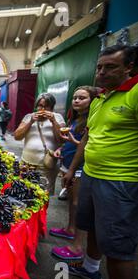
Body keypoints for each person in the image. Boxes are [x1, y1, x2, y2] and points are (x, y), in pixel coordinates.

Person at [62, 44, 138, 279]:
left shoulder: (135, 93)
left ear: (129, 67)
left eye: (111, 67)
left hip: (121, 181)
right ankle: (91, 268)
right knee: (93, 226)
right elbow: (87, 138)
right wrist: (73, 169)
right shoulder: (101, 98)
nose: (102, 72)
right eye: (99, 67)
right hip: (92, 175)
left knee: (118, 246)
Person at [49, 86, 99, 261]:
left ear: (92, 100)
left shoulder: (92, 120)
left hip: (79, 167)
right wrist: (62, 148)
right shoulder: (76, 119)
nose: (77, 100)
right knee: (72, 201)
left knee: (78, 203)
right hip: (68, 163)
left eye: (82, 98)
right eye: (75, 97)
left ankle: (77, 247)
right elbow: (71, 142)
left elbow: (89, 146)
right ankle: (70, 229)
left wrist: (73, 141)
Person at [13, 93, 65, 195]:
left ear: (52, 107)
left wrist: (53, 121)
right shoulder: (29, 117)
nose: (43, 109)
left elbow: (61, 139)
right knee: (24, 192)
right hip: (26, 164)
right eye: (40, 106)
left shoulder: (58, 117)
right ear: (36, 106)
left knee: (43, 194)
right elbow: (17, 136)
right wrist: (31, 121)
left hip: (46, 165)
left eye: (47, 106)